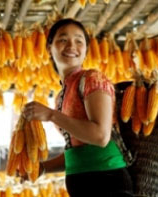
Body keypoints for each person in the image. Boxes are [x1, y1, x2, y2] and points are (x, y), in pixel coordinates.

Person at [22, 18, 133, 196]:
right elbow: (79, 150)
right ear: (50, 48)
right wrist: (42, 168)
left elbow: (100, 136)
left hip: (107, 182)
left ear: (85, 50)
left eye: (79, 41)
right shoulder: (61, 95)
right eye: (63, 39)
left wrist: (51, 115)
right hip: (82, 182)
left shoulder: (93, 79)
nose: (71, 46)